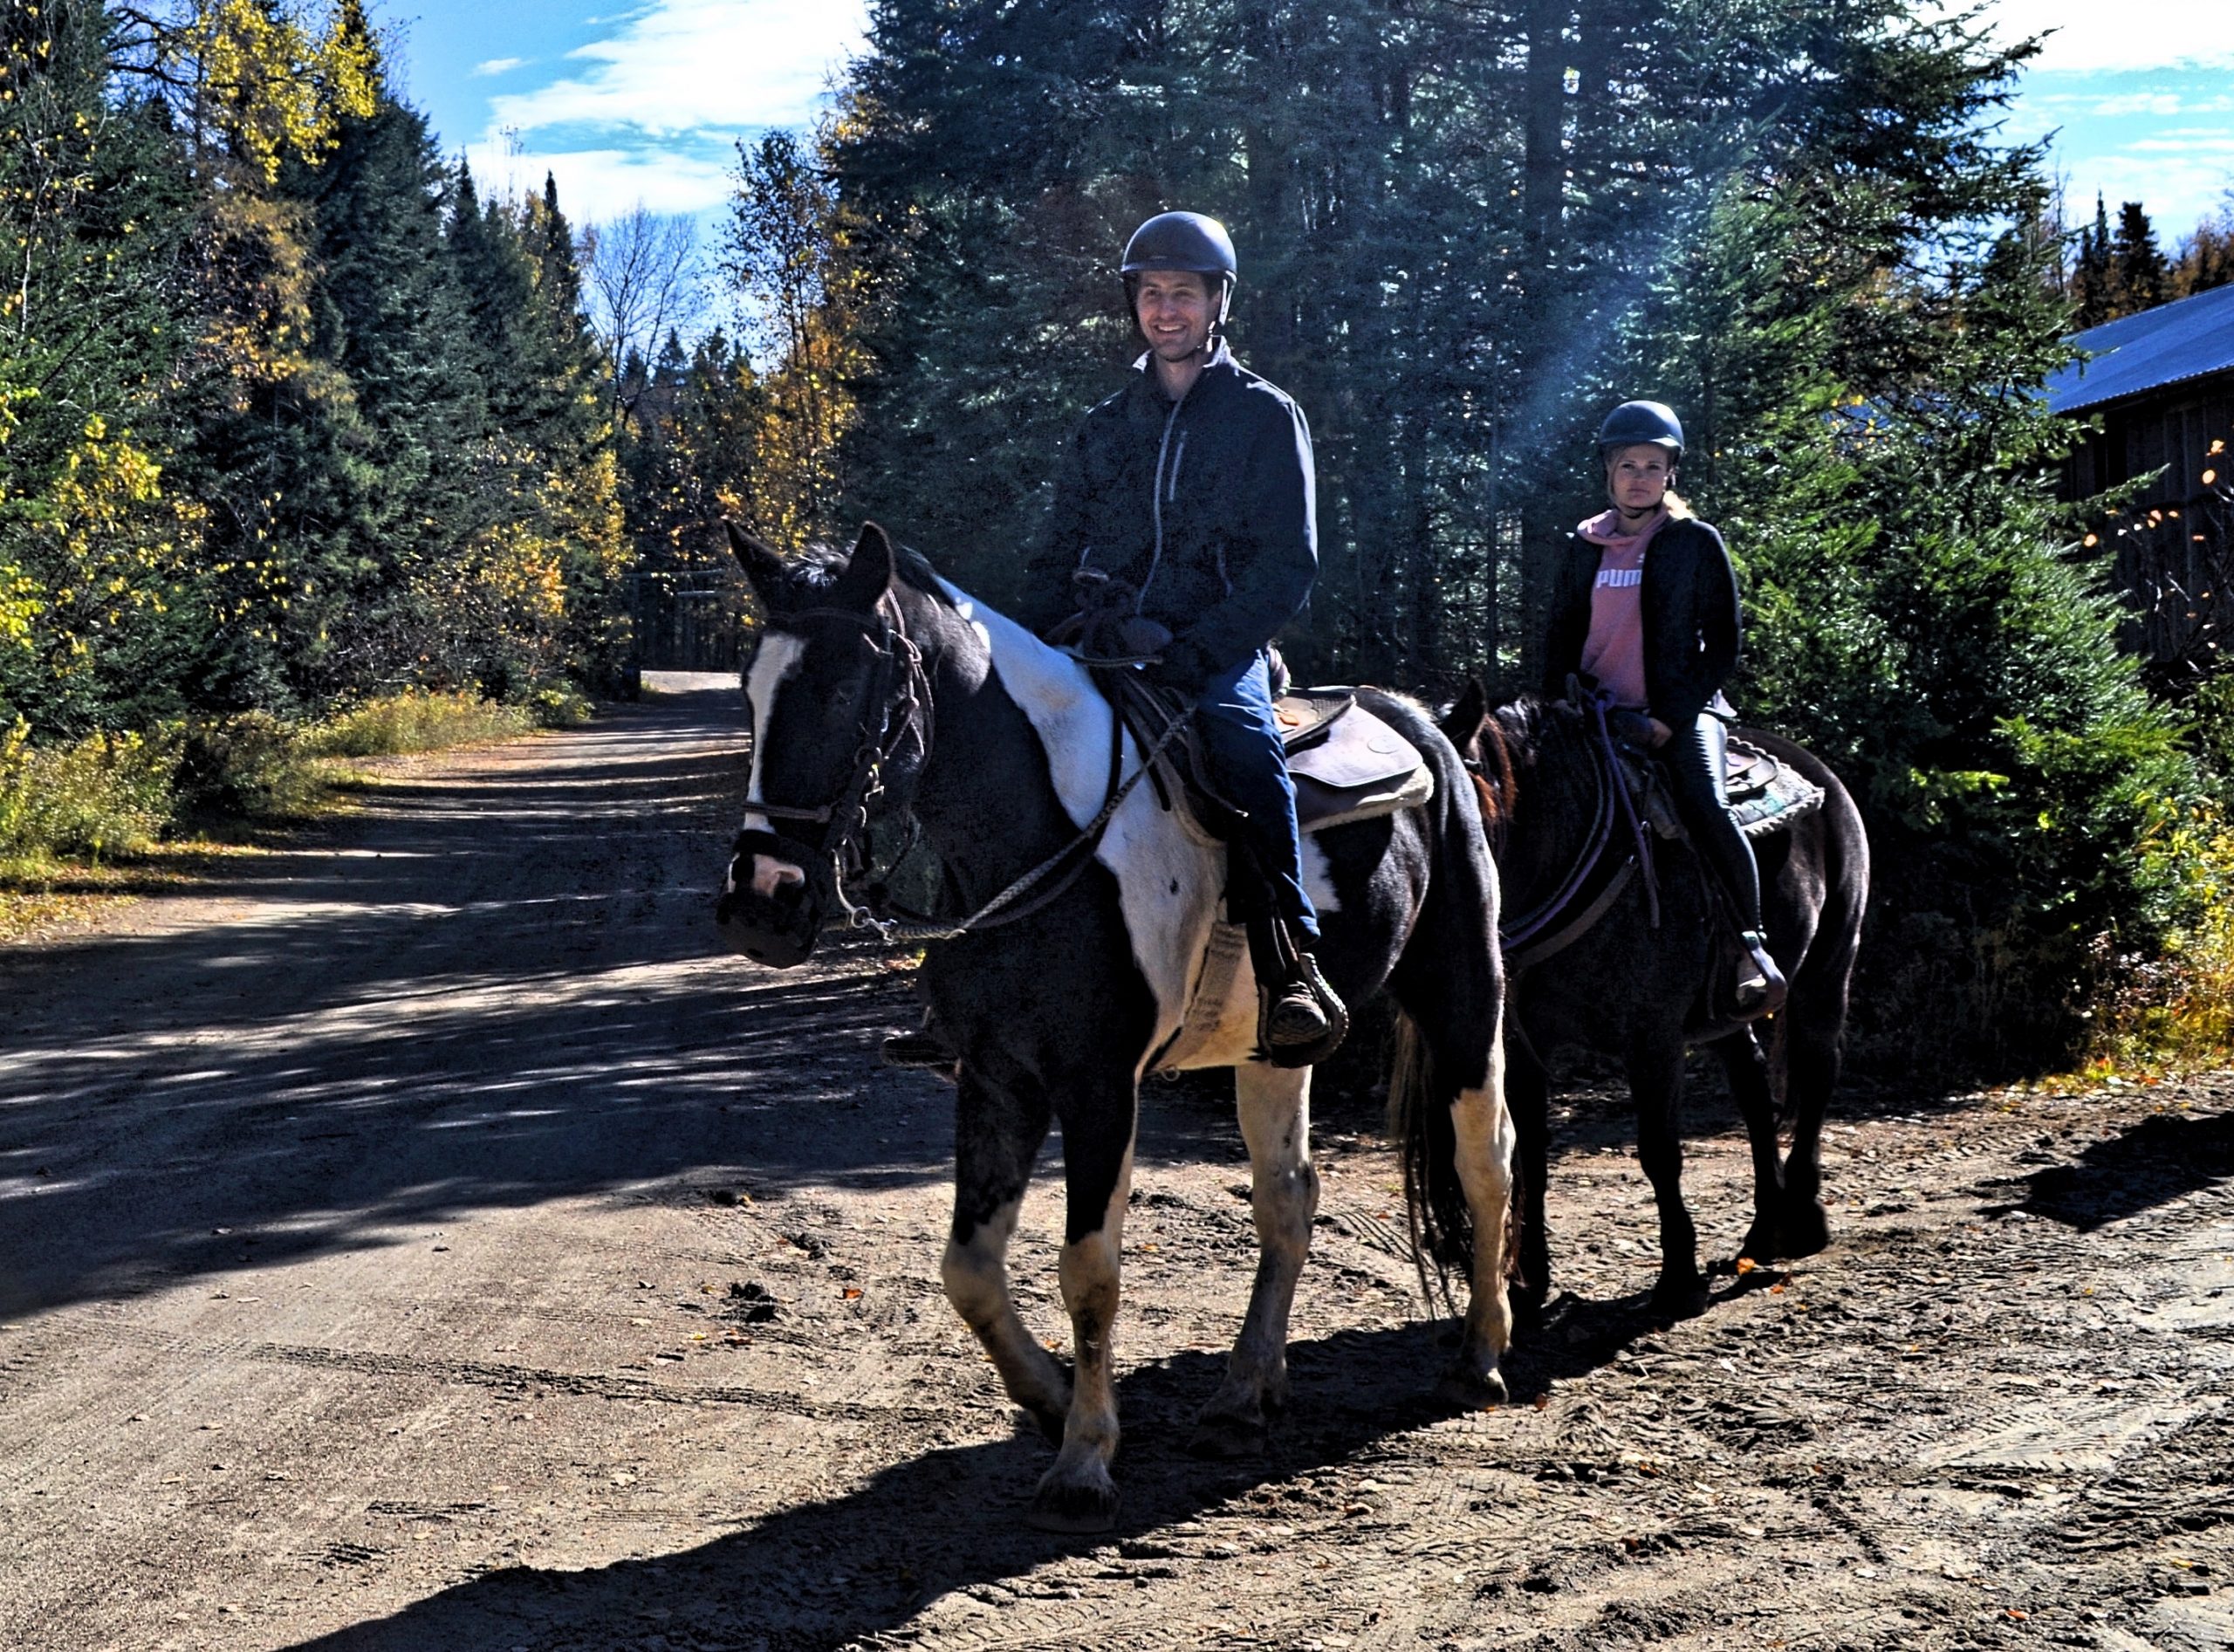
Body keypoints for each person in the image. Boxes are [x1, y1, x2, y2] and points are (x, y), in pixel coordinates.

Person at [1019, 209, 1342, 1063]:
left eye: (1184, 295)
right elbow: (1055, 551)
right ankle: (974, 967)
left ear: (1216, 303)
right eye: (1151, 294)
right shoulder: (1105, 423)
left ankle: (1289, 962)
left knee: (1242, 750)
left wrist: (1199, 652)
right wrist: (1039, 640)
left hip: (1212, 644)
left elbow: (1287, 567)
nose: (1166, 310)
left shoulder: (1264, 417)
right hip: (1102, 635)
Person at [1542, 399, 1787, 1015]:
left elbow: (1723, 644)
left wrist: (1668, 717)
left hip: (1678, 711)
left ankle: (1749, 946)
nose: (1641, 477)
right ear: (1608, 470)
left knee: (1706, 802)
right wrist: (1554, 705)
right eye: (1629, 465)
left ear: (1671, 473)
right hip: (1596, 712)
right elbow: (1559, 634)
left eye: (1654, 465)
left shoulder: (1692, 542)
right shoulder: (1583, 544)